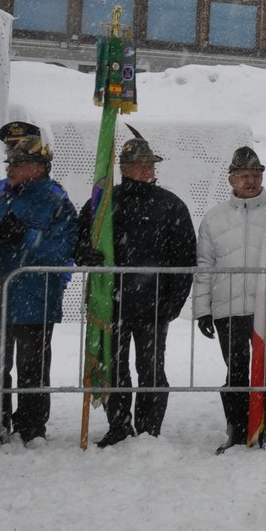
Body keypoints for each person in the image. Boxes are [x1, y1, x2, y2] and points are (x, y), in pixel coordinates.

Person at [75, 134, 196, 447]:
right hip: (111, 304)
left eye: (149, 164)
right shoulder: (102, 204)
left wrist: (175, 301)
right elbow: (79, 239)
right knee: (114, 368)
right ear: (123, 168)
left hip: (154, 305)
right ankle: (118, 426)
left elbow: (185, 257)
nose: (144, 170)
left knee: (151, 369)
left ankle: (148, 430)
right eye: (137, 165)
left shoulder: (171, 206)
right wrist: (83, 254)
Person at [191, 146, 266, 452]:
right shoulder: (214, 219)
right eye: (243, 175)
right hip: (227, 309)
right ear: (231, 180)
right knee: (237, 372)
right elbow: (204, 266)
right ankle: (238, 432)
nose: (251, 181)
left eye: (255, 174)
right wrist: (202, 309)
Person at [0, 130, 77, 445]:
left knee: (33, 369)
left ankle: (32, 426)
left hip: (36, 300)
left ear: (38, 166)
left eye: (17, 163)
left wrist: (25, 237)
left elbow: (62, 250)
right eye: (9, 162)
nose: (10, 168)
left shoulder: (56, 201)